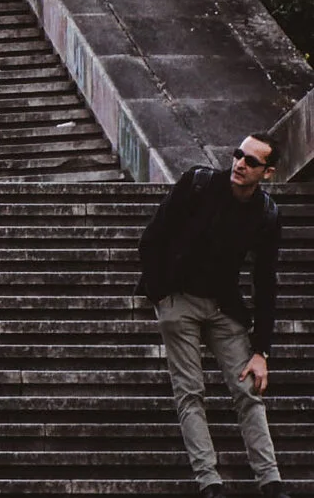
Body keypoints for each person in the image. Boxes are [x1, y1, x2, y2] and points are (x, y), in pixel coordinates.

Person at [139, 133, 290, 497]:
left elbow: (265, 282)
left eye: (251, 161)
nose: (240, 163)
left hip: (223, 307)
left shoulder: (265, 214)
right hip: (180, 301)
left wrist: (261, 351)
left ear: (267, 172)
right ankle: (209, 483)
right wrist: (162, 295)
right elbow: (153, 238)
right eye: (239, 154)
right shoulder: (199, 184)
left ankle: (270, 482)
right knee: (190, 392)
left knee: (248, 390)